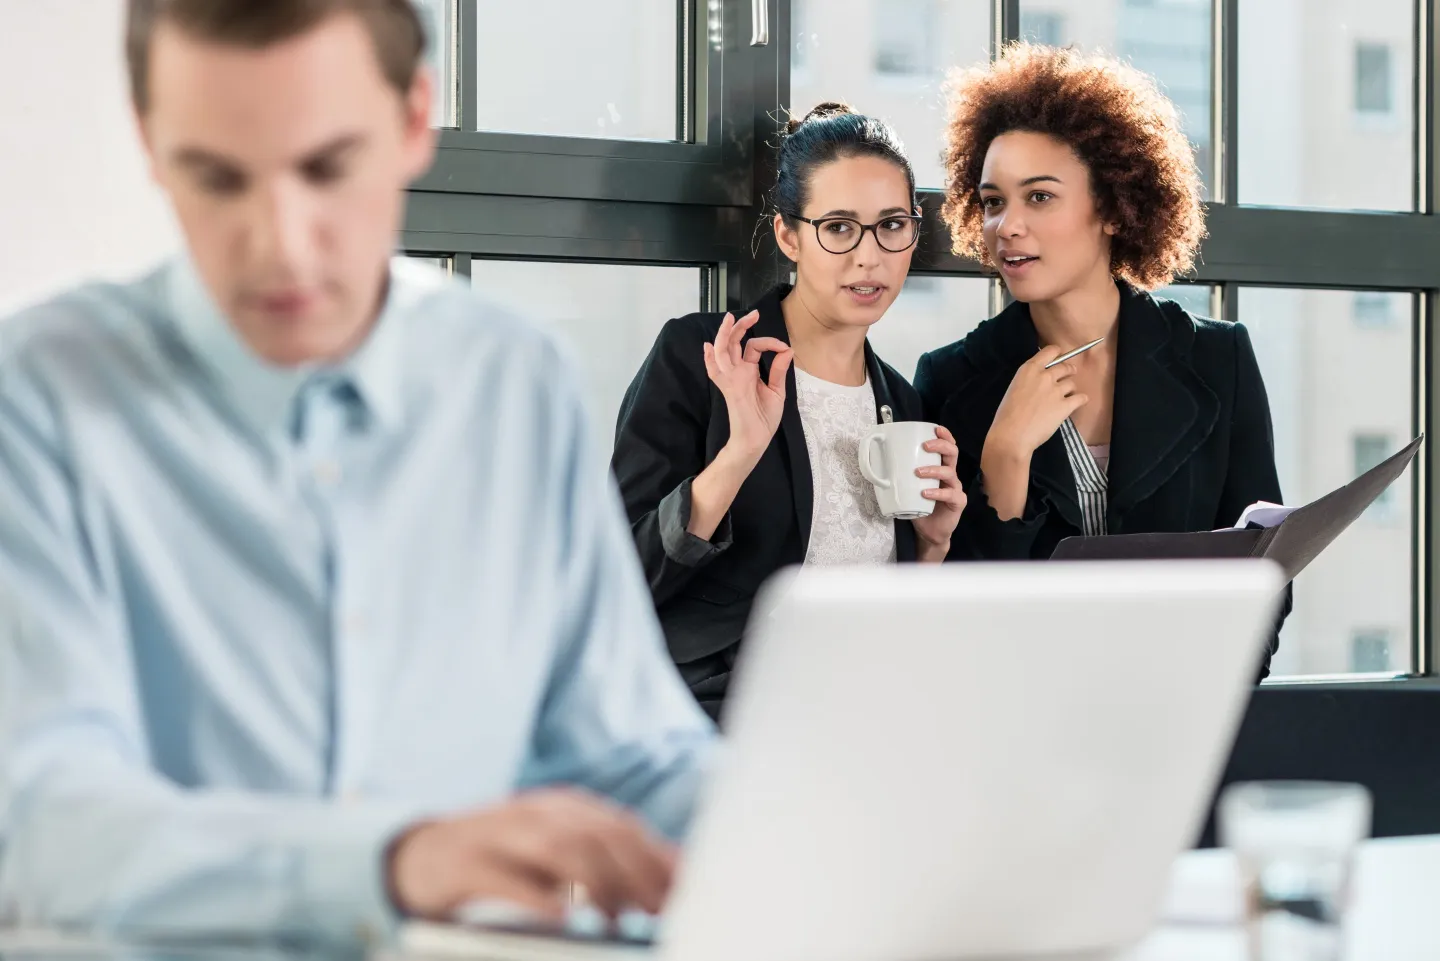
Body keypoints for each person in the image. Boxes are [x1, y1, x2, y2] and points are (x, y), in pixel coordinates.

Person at [0, 0, 714, 944]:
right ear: (149, 143)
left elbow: (626, 750)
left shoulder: (509, 381)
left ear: (415, 120)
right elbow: (43, 820)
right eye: (216, 178)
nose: (282, 243)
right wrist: (392, 860)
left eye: (328, 168)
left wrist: (815, 829)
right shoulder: (41, 394)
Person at [914, 44, 1289, 675]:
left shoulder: (1218, 357)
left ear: (1113, 206)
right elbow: (957, 612)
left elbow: (1266, 574)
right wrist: (1005, 458)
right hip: (1019, 723)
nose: (1006, 225)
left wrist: (1200, 687)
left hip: (1181, 710)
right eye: (992, 201)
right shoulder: (952, 377)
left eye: (1039, 197)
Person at [611, 103, 967, 721]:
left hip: (864, 714)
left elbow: (889, 622)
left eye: (892, 225)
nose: (870, 256)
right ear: (788, 236)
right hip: (721, 718)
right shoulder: (704, 359)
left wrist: (931, 549)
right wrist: (740, 451)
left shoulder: (902, 404)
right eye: (838, 227)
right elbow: (618, 581)